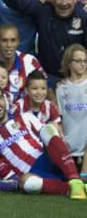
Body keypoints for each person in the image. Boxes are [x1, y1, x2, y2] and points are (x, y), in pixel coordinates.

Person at [0, 83, 86, 199]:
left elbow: (48, 135)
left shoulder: (25, 117)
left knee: (49, 128)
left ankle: (74, 179)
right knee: (27, 183)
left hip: (49, 159)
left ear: (5, 100)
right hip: (31, 175)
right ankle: (72, 188)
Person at [2, 0, 87, 87]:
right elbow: (13, 0)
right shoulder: (42, 8)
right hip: (48, 78)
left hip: (79, 79)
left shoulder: (83, 14)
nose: (64, 3)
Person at [56, 44, 87, 181]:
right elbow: (60, 117)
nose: (82, 64)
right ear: (69, 63)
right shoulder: (62, 88)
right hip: (70, 146)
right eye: (78, 61)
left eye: (85, 61)